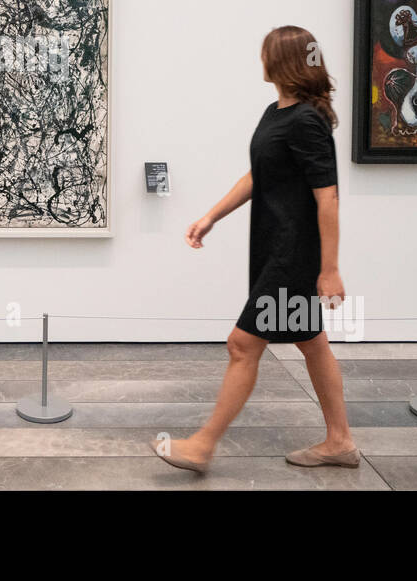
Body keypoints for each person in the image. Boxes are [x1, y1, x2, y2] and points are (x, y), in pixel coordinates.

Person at [153, 25, 358, 474]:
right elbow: (257, 175)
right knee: (311, 342)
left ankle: (202, 446)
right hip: (273, 247)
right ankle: (340, 441)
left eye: (265, 52)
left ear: (281, 62)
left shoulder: (306, 120)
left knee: (242, 344)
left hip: (292, 255)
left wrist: (330, 269)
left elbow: (328, 197)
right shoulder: (277, 112)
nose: (259, 58)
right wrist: (211, 216)